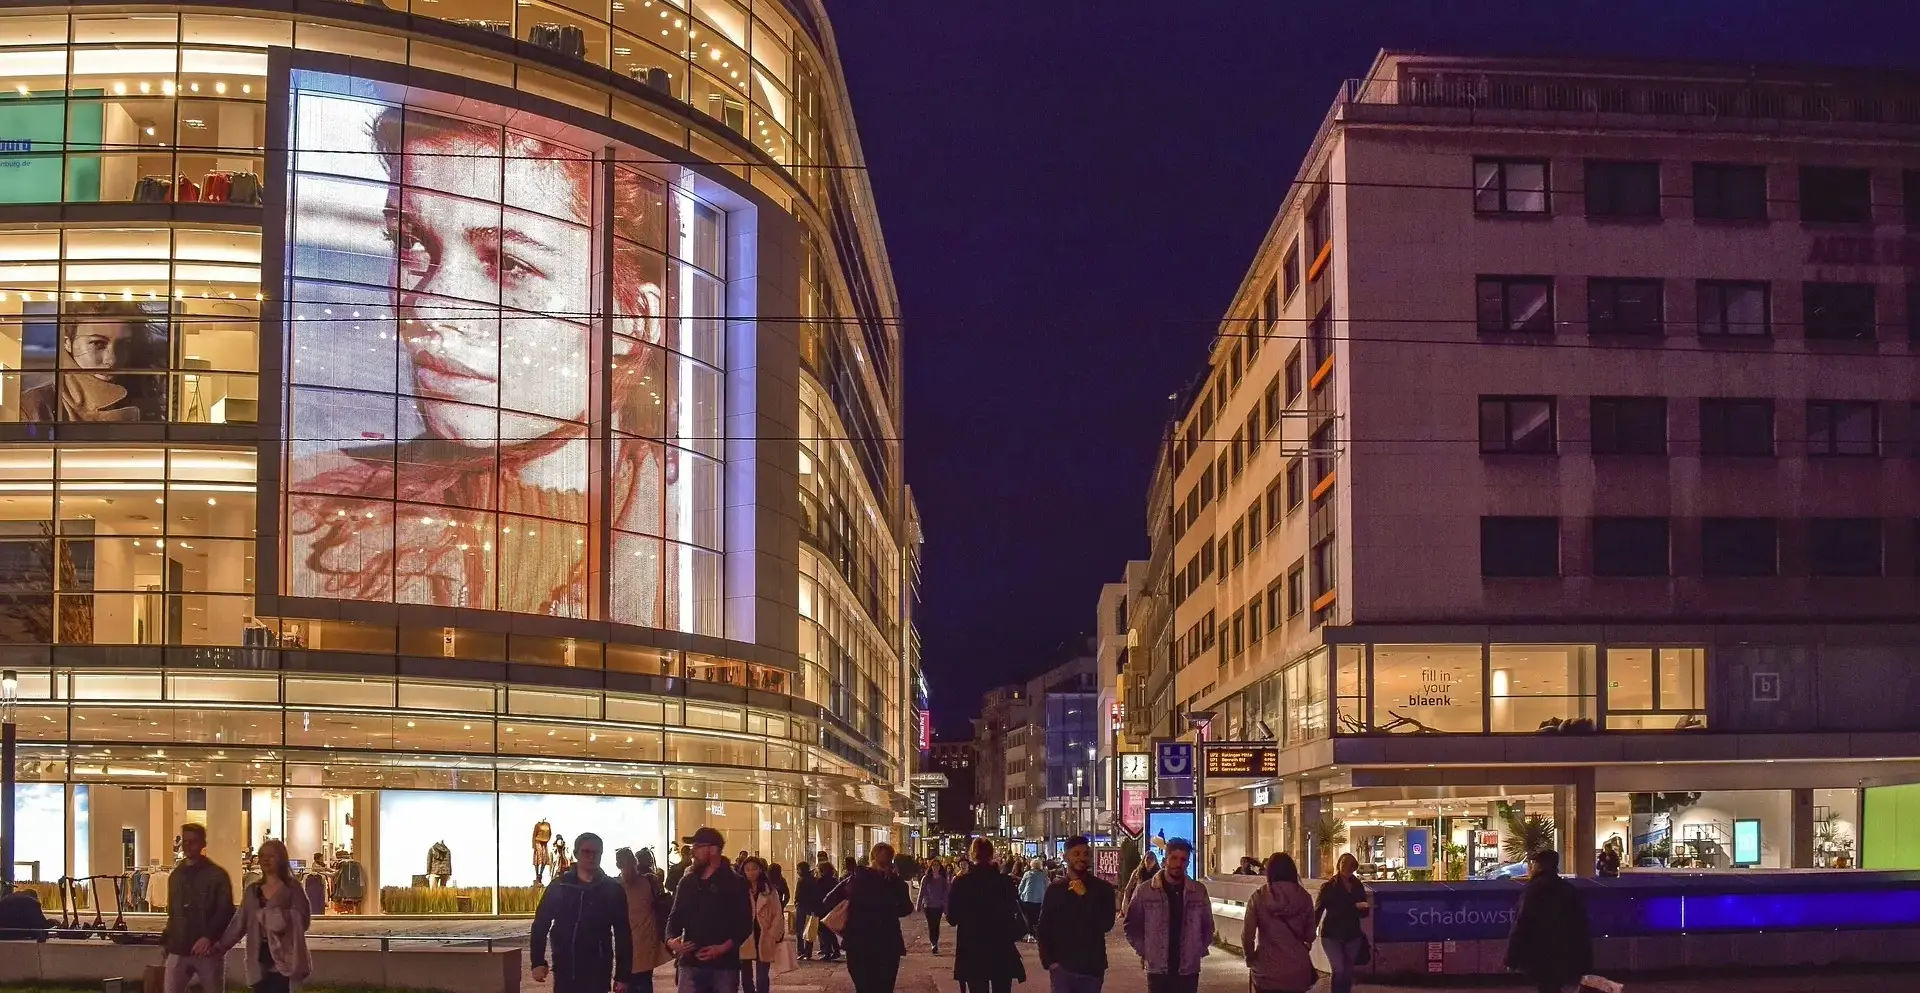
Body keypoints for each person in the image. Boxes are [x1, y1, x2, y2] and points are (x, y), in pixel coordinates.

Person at [286, 103, 673, 624]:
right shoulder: (298, 513)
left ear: (632, 322)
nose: (427, 306)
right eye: (409, 242)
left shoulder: (702, 555)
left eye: (509, 264)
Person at [20, 300, 168, 422]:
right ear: (67, 343)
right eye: (97, 344)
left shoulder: (144, 398)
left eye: (124, 344)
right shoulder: (34, 407)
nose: (112, 359)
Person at [531, 832, 632, 993]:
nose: (591, 856)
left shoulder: (612, 890)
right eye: (586, 852)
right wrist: (537, 961)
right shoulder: (560, 887)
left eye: (596, 852)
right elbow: (540, 925)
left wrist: (623, 975)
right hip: (565, 969)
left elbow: (623, 934)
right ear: (576, 854)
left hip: (598, 970)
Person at [665, 827, 753, 993]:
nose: (692, 852)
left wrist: (722, 948)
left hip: (724, 967)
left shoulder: (735, 883)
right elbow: (675, 917)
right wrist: (671, 940)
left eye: (697, 846)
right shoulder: (687, 882)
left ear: (713, 849)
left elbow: (744, 924)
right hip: (690, 963)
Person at [218, 839, 312, 993]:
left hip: (285, 957)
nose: (266, 860)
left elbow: (304, 919)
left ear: (281, 858)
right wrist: (220, 946)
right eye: (262, 856)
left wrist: (277, 918)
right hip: (258, 955)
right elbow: (239, 923)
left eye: (271, 856)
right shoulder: (252, 891)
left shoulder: (292, 888)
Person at [1122, 837, 1211, 993]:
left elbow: (1207, 926)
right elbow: (1131, 925)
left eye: (1183, 859)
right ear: (1165, 860)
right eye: (1174, 858)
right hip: (1158, 969)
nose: (1178, 863)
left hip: (1188, 970)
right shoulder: (1146, 890)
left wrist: (1197, 950)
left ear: (1188, 863)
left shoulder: (1198, 891)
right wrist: (1146, 950)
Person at [821, 843, 912, 993]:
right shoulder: (896, 883)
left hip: (858, 943)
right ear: (891, 861)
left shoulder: (856, 879)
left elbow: (828, 900)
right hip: (887, 944)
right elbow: (907, 908)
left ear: (871, 858)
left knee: (864, 988)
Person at [1036, 836, 1118, 993]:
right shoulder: (1055, 890)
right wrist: (1049, 961)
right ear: (1066, 857)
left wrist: (1084, 897)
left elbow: (1106, 924)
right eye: (1077, 853)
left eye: (1086, 854)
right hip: (1063, 969)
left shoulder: (1103, 889)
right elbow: (1044, 927)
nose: (1082, 858)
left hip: (1092, 968)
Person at [946, 837, 1028, 993]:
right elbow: (1014, 910)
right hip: (1001, 946)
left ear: (972, 855)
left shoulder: (962, 883)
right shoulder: (1004, 881)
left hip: (972, 947)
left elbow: (952, 918)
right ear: (992, 854)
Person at [162, 822, 236, 993]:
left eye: (192, 841)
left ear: (202, 844)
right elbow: (173, 912)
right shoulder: (176, 876)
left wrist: (208, 937)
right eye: (185, 841)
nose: (188, 846)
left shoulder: (217, 875)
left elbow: (225, 910)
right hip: (179, 947)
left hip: (206, 950)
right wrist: (167, 941)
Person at [1505, 850, 1593, 993]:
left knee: (1547, 987)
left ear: (1541, 866)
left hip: (1541, 954)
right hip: (1564, 953)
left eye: (1533, 863)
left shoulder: (1534, 890)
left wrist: (1511, 959)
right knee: (1553, 987)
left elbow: (1522, 923)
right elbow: (1581, 927)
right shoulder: (1568, 890)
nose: (1531, 867)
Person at [1241, 854, 1315, 993]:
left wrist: (1250, 959)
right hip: (1297, 969)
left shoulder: (1258, 897)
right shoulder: (1305, 897)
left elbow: (1247, 935)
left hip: (1266, 969)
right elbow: (1310, 934)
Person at [616, 847, 672, 993]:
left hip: (645, 941)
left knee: (641, 981)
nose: (629, 867)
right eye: (625, 864)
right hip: (628, 942)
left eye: (631, 863)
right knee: (633, 981)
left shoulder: (648, 881)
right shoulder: (616, 887)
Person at [1314, 853, 1370, 993]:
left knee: (1348, 971)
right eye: (1344, 863)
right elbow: (1319, 910)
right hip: (1332, 934)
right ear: (1339, 865)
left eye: (1349, 865)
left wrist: (1363, 908)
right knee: (1338, 969)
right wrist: (1310, 931)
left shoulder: (1357, 886)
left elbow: (1364, 913)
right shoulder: (1329, 886)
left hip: (1352, 934)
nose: (1346, 867)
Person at [737, 857, 786, 993]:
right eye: (747, 869)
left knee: (762, 975)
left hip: (764, 934)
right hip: (745, 935)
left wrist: (773, 934)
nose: (751, 872)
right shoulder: (739, 890)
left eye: (754, 869)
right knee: (746, 976)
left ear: (760, 870)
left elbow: (777, 913)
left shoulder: (769, 890)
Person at [916, 860, 951, 953]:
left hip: (938, 906)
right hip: (928, 906)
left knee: (936, 925)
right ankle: (933, 943)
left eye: (937, 865)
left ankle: (935, 941)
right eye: (934, 865)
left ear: (940, 867)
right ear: (931, 867)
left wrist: (946, 908)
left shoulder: (943, 879)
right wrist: (918, 905)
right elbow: (921, 892)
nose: (935, 867)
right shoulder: (926, 878)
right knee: (931, 925)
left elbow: (945, 894)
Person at [812, 854, 842, 962]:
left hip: (822, 908)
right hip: (832, 908)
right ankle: (835, 950)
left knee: (824, 931)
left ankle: (828, 952)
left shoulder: (820, 882)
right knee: (830, 930)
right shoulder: (834, 881)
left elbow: (816, 896)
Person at [792, 862, 821, 960]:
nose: (797, 871)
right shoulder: (813, 879)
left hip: (802, 907)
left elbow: (798, 895)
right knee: (809, 929)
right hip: (810, 907)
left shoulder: (802, 880)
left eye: (798, 869)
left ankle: (801, 951)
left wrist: (796, 903)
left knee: (800, 930)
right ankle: (808, 952)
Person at [1018, 859, 1048, 937]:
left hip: (1028, 898)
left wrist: (1021, 894)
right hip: (1040, 898)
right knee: (1037, 917)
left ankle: (1030, 933)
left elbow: (1021, 886)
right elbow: (1047, 886)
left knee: (1029, 917)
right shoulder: (1043, 875)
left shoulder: (1027, 874)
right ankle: (1037, 933)